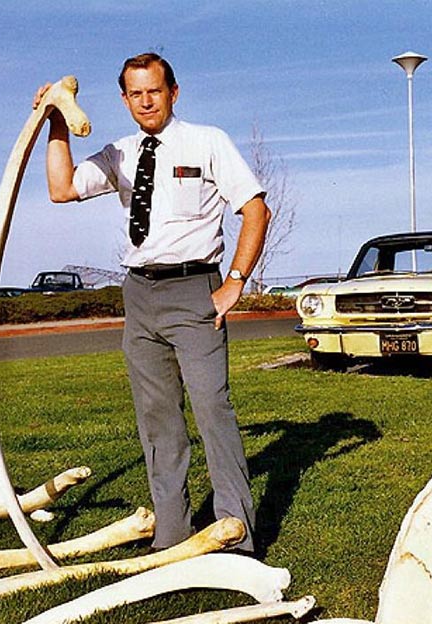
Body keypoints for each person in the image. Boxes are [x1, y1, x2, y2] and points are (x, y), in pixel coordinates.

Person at [36, 52, 270, 554]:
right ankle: (172, 536)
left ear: (173, 92)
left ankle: (238, 537)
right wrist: (56, 119)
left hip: (195, 292)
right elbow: (62, 188)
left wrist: (234, 282)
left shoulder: (207, 142)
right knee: (158, 420)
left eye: (155, 91)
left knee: (213, 411)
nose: (146, 101)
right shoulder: (119, 153)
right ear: (124, 99)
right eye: (135, 93)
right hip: (139, 295)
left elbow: (256, 208)